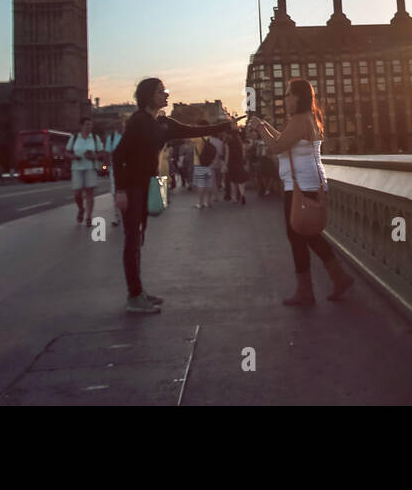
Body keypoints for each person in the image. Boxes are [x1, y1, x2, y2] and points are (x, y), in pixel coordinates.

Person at [111, 78, 231, 314]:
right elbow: (118, 156)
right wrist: (121, 191)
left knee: (139, 238)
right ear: (148, 95)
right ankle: (134, 296)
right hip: (133, 187)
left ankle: (138, 292)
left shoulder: (163, 123)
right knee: (132, 240)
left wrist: (225, 126)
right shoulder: (138, 121)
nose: (166, 94)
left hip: (147, 185)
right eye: (161, 91)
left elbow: (195, 130)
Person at [250, 78, 353, 306]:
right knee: (307, 234)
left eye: (288, 94)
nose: (285, 98)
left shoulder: (299, 119)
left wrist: (259, 128)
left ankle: (307, 291)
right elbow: (284, 140)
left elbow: (276, 147)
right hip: (308, 183)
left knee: (297, 234)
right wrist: (265, 126)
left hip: (301, 186)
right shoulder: (308, 118)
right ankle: (339, 278)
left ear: (298, 97)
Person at [67, 117, 102, 228]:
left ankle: (89, 217)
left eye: (90, 125)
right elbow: (67, 152)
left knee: (89, 193)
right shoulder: (75, 137)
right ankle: (81, 209)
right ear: (81, 126)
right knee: (77, 193)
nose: (89, 127)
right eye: (87, 124)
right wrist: (73, 156)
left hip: (90, 167)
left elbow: (101, 153)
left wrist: (93, 156)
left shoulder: (95, 138)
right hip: (77, 168)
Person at [104, 119, 123, 227]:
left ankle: (126, 213)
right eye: (118, 125)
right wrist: (106, 167)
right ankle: (116, 216)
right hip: (115, 168)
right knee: (115, 192)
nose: (120, 127)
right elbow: (107, 153)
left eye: (121, 125)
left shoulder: (128, 136)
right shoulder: (111, 138)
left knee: (128, 191)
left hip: (127, 168)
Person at [225, 128, 248, 205]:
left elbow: (227, 155)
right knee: (241, 181)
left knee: (233, 182)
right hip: (240, 163)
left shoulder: (228, 143)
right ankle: (242, 195)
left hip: (231, 163)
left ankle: (234, 198)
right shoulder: (241, 143)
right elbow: (244, 155)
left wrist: (225, 165)